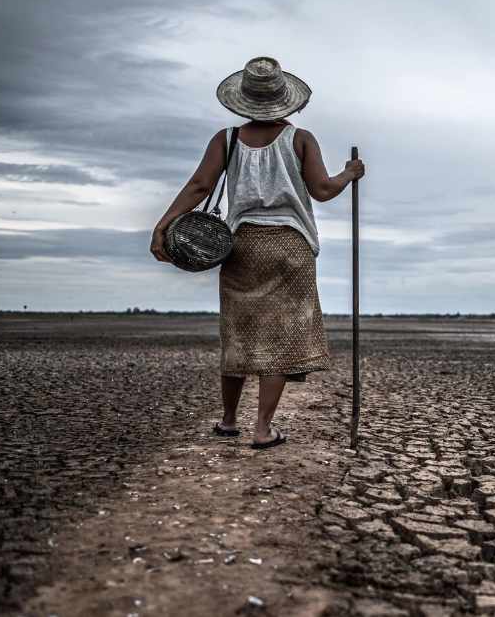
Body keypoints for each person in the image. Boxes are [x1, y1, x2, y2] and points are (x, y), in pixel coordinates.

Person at [150, 56, 365, 449]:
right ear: (286, 100)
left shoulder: (226, 139)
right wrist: (349, 175)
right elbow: (322, 190)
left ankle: (229, 420)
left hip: (241, 245)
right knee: (279, 339)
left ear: (243, 100)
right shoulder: (300, 139)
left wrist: (164, 223)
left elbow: (200, 186)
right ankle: (263, 429)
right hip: (290, 246)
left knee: (238, 333)